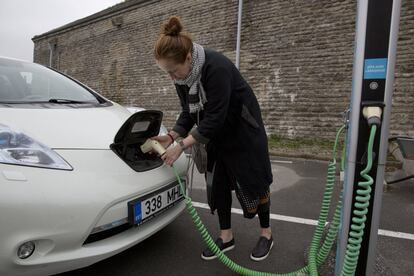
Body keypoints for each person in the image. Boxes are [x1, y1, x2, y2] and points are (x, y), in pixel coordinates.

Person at [151, 16, 274, 261]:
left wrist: (182, 146)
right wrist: (172, 135)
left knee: (255, 183)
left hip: (243, 134)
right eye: (168, 73)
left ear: (187, 58)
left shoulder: (215, 67)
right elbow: (189, 112)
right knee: (217, 185)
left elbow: (215, 116)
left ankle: (267, 233)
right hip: (214, 137)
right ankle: (226, 237)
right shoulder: (184, 78)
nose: (172, 78)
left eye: (173, 71)